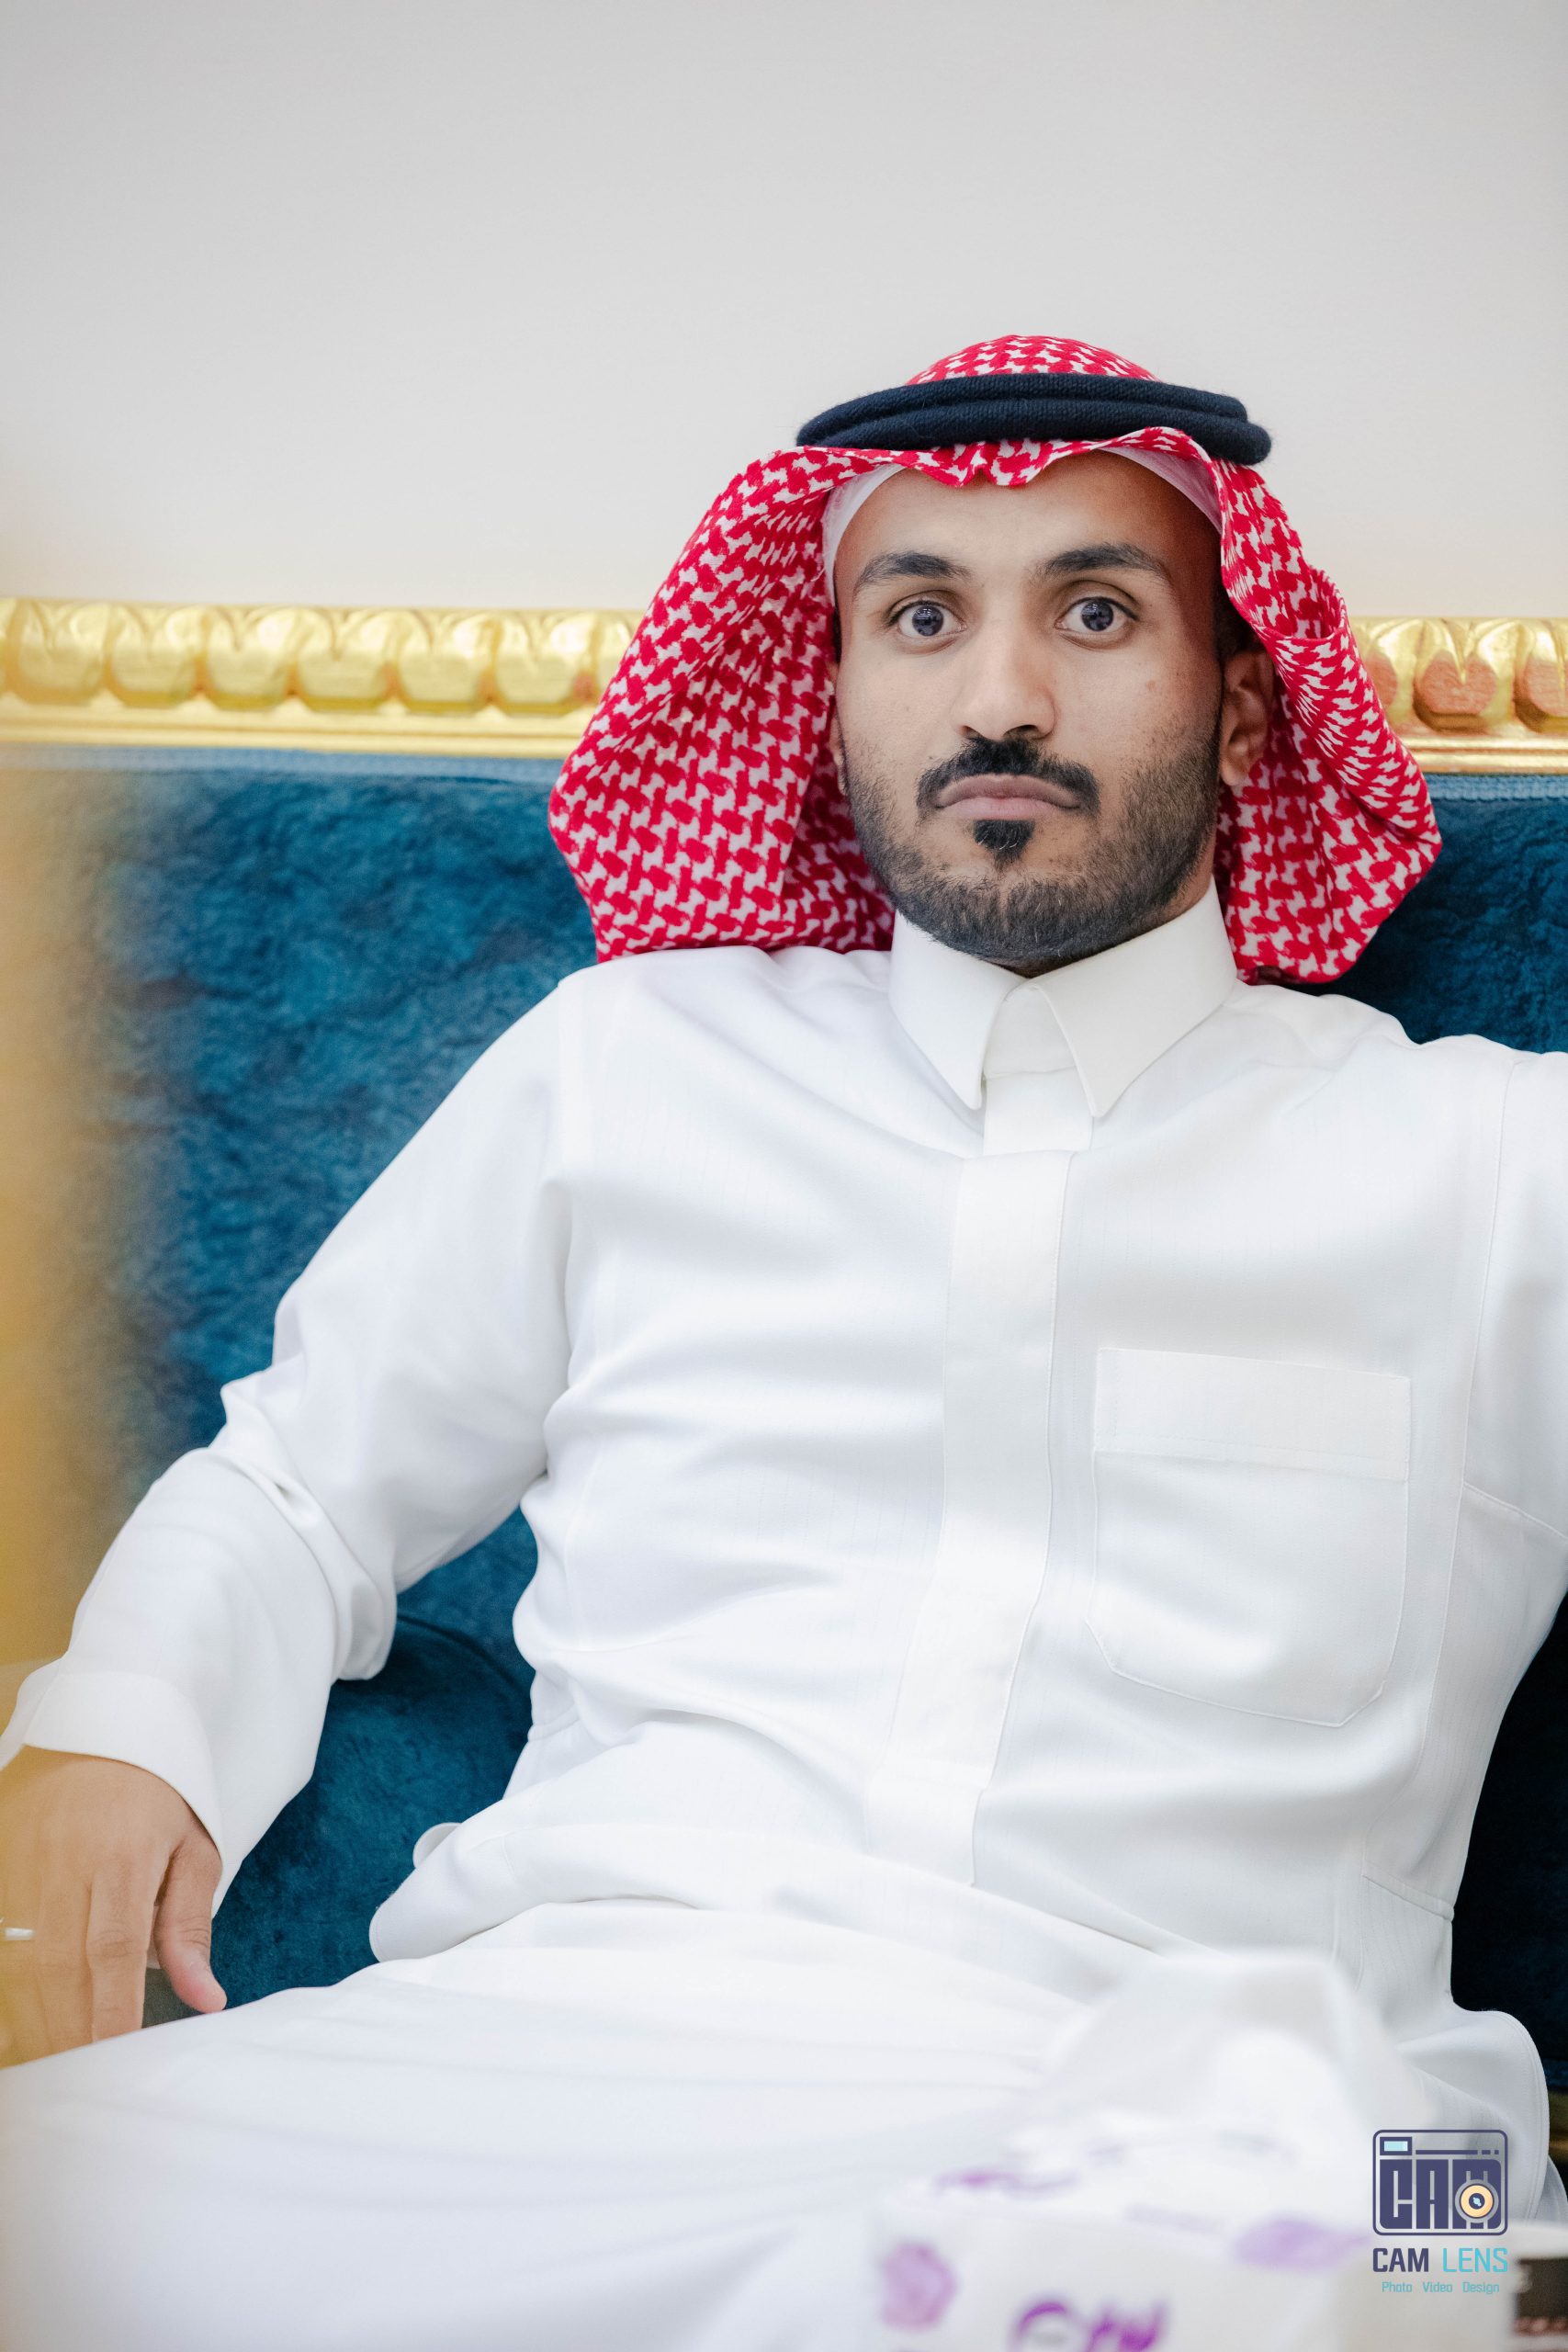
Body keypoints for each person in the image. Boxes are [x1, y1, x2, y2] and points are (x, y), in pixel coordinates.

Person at [2, 334, 1564, 2349]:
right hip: (551, 2046)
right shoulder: (627, 1069)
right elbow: (297, 1487)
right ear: (826, 699)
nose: (999, 698)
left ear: (1247, 703)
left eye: (1096, 612)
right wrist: (113, 1729)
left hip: (1264, 2117)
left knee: (1446, 2269)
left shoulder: (1487, 1162)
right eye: (920, 616)